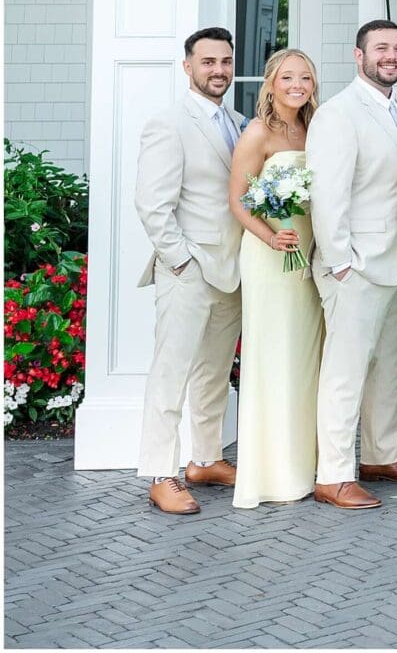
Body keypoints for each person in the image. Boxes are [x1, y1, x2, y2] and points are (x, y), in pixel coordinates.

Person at [306, 18, 397, 508]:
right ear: (359, 56)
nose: (391, 56)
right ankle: (333, 474)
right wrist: (340, 262)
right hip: (356, 265)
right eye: (381, 48)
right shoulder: (337, 114)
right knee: (346, 371)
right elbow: (327, 194)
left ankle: (381, 454)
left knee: (391, 365)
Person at [133, 25, 243, 514]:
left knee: (214, 372)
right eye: (208, 62)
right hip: (189, 268)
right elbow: (152, 204)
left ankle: (205, 458)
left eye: (225, 61)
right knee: (171, 372)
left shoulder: (238, 122)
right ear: (188, 66)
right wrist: (179, 259)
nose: (218, 70)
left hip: (232, 269)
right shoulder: (169, 123)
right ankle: (162, 473)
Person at [227, 46, 324, 510]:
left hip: (309, 255)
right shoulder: (258, 132)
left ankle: (306, 466)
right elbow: (238, 200)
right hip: (271, 257)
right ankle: (272, 474)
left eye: (304, 77)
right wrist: (270, 237)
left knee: (306, 360)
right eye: (287, 77)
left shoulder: (316, 127)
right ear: (271, 83)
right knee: (274, 358)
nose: (297, 85)